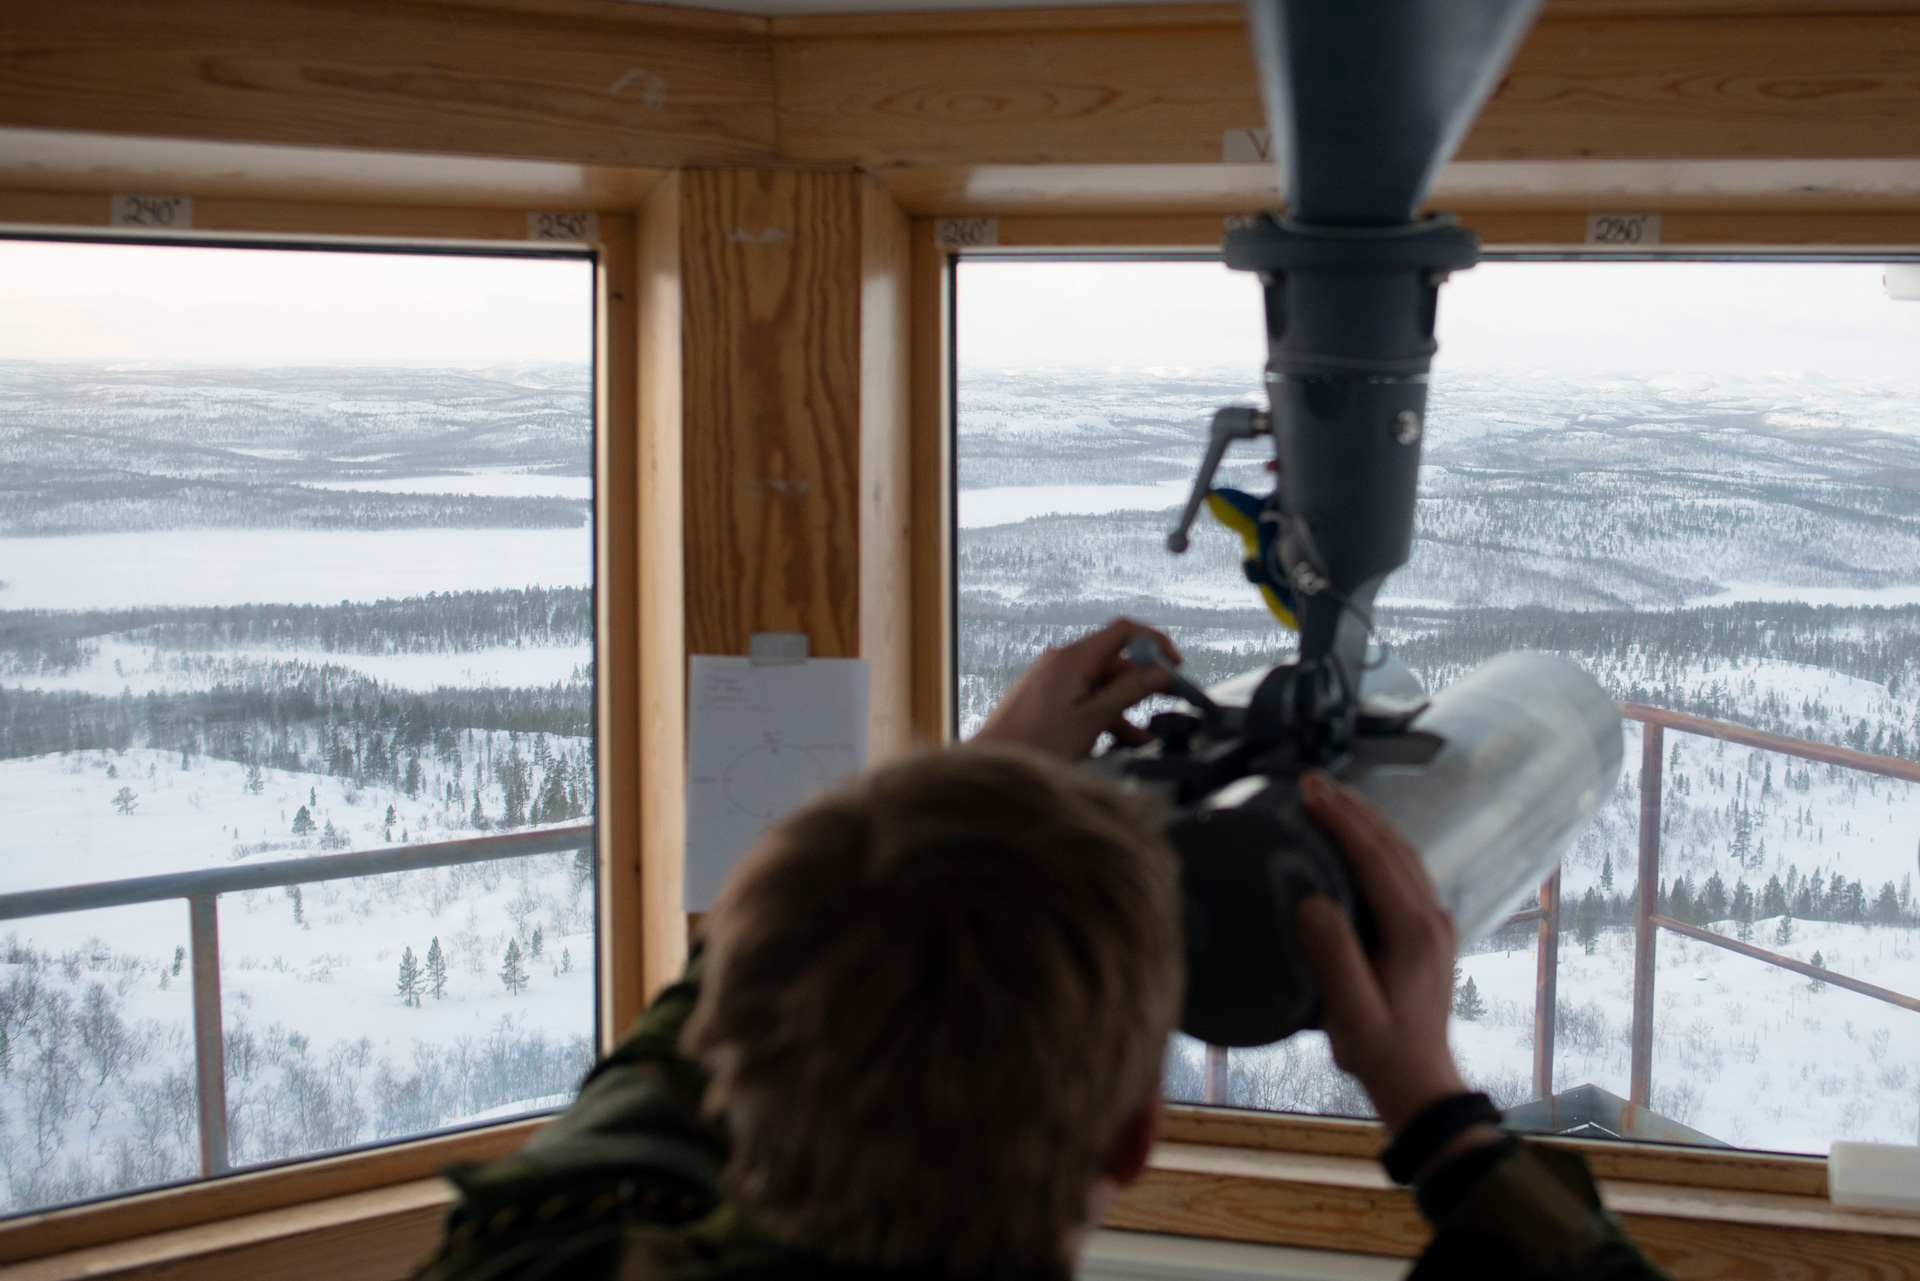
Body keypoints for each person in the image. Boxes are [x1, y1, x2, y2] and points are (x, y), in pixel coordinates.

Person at [415, 620, 1666, 1281]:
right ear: (1132, 1136)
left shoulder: (551, 1256)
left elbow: (649, 1087)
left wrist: (969, 790)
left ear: (745, 1038)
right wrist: (1433, 1107)